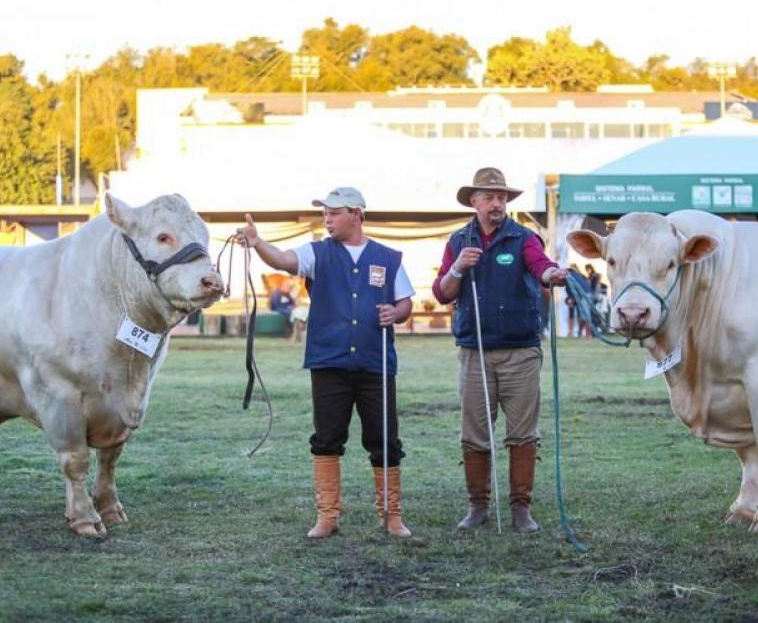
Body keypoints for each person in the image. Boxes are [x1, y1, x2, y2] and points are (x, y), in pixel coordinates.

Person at [237, 187, 415, 538]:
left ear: (357, 214)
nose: (327, 219)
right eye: (325, 213)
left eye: (334, 213)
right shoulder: (317, 253)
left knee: (385, 439)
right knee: (327, 438)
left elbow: (405, 302)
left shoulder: (388, 257)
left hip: (375, 363)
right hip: (328, 362)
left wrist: (395, 312)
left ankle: (391, 515)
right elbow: (283, 260)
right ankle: (327, 515)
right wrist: (258, 243)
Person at [432, 167, 567, 533]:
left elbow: (540, 265)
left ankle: (521, 509)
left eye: (502, 198)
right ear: (474, 202)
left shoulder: (524, 237)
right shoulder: (458, 241)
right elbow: (442, 292)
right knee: (475, 433)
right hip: (473, 351)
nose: (497, 204)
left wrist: (551, 274)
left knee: (523, 433)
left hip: (520, 352)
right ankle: (478, 507)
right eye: (490, 197)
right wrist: (458, 268)